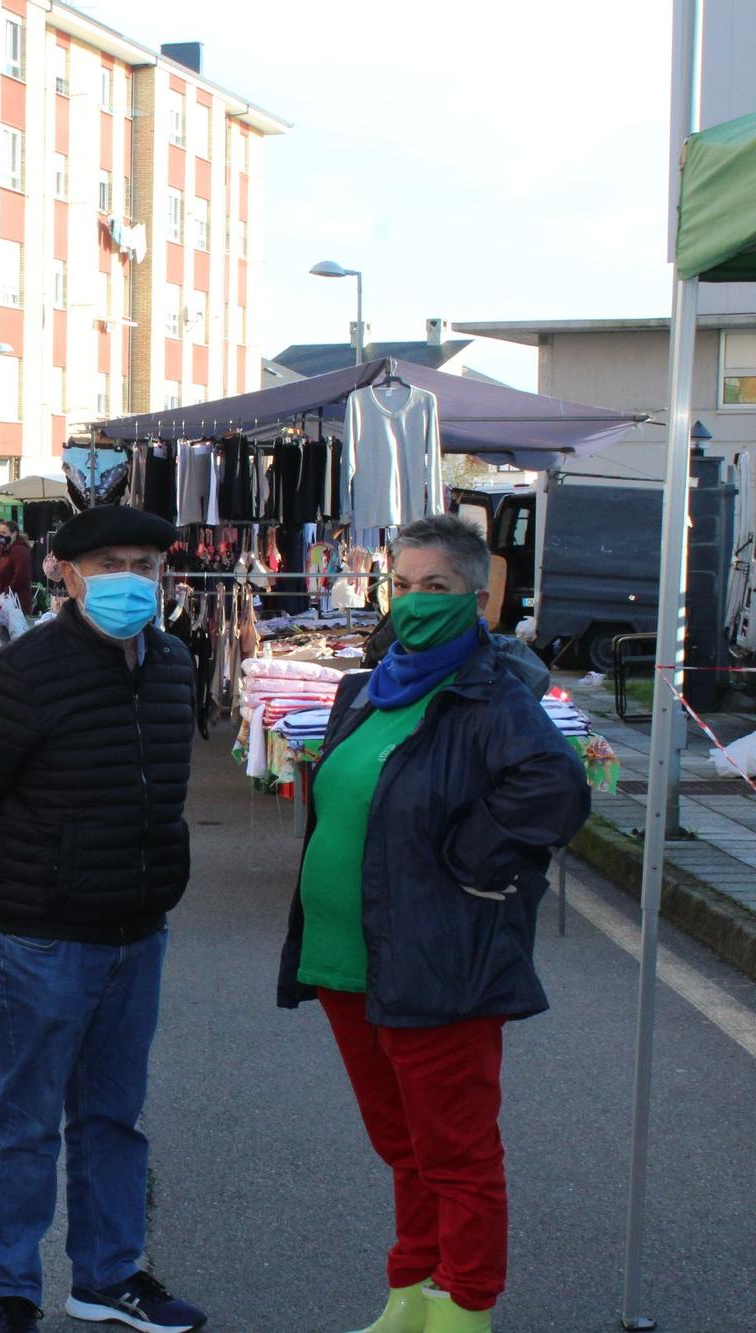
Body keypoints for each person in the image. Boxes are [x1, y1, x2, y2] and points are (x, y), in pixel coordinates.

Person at [279, 514, 590, 1333]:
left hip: (438, 958)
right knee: (402, 1144)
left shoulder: (491, 693)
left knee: (456, 1150)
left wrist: (469, 860)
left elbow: (556, 790)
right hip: (348, 958)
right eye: (404, 585)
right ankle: (411, 1292)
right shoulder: (363, 687)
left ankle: (464, 1307)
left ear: (477, 598)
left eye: (437, 587)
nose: (415, 603)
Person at [0, 505, 207, 1333]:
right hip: (46, 938)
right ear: (70, 572)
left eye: (150, 565)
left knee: (113, 1118)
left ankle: (108, 1275)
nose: (136, 579)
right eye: (116, 563)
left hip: (138, 930)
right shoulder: (26, 671)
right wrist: (38, 872)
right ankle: (10, 1290)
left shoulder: (170, 662)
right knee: (25, 1122)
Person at [0, 517, 33, 617]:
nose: (0, 536)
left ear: (14, 533)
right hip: (2, 604)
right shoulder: (3, 551)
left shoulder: (19, 551)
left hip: (14, 604)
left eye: (4, 533)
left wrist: (6, 593)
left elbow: (21, 576)